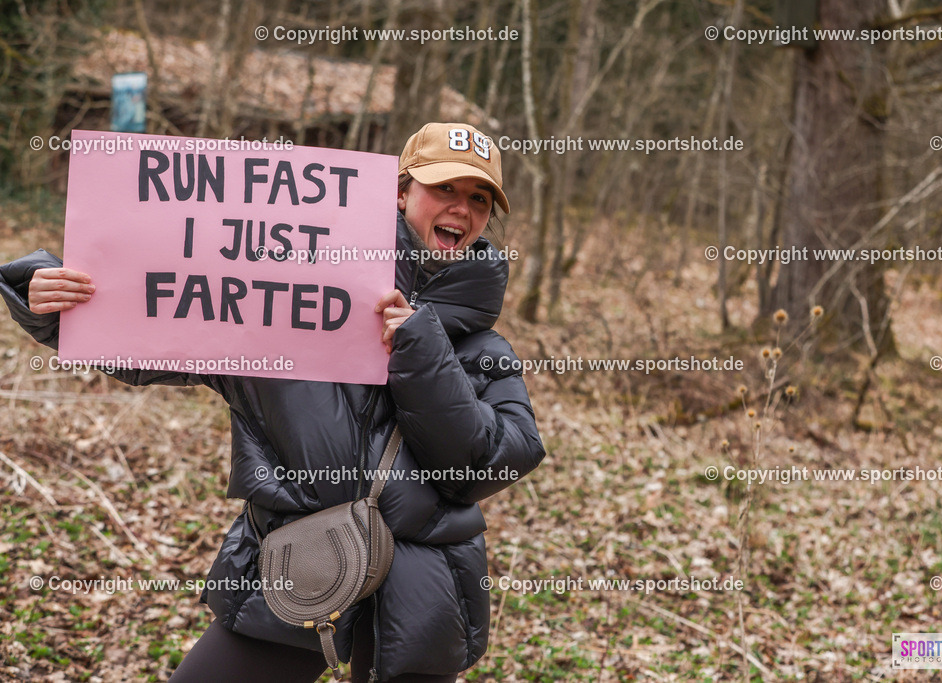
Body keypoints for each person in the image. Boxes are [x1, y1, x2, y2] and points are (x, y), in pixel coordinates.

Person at [0, 122, 545, 682]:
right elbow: (156, 338)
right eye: (444, 189)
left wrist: (422, 350)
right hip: (299, 564)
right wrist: (55, 305)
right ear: (400, 192)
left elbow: (486, 461)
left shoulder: (483, 348)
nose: (461, 208)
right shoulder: (287, 294)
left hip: (424, 593)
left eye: (479, 198)